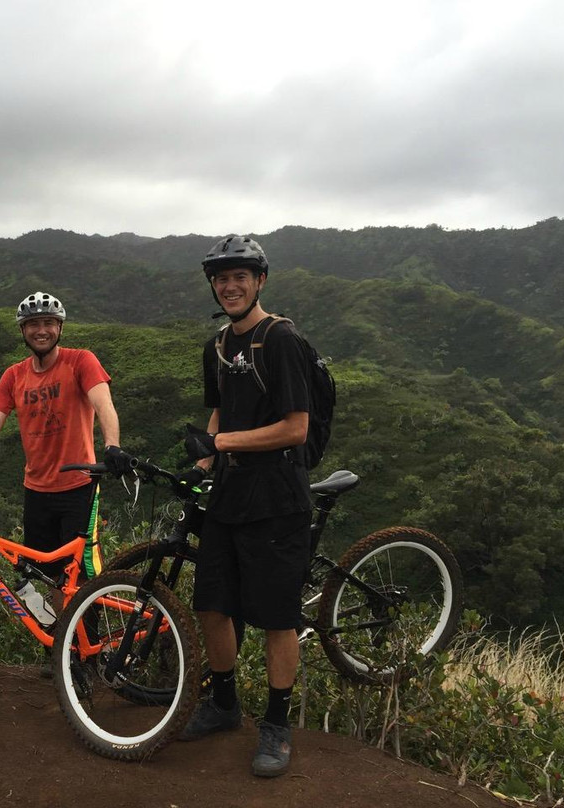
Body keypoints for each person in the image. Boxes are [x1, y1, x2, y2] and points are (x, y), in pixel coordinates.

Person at [179, 235, 312, 778]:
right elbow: (219, 414)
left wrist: (224, 445)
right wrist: (204, 462)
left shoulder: (280, 339)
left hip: (278, 497)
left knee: (277, 617)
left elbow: (296, 428)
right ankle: (225, 704)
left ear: (259, 281)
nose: (229, 285)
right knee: (213, 604)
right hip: (231, 496)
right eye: (220, 277)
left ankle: (277, 726)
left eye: (240, 276)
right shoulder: (217, 345)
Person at [0, 292, 132, 609]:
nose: (40, 330)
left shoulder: (80, 361)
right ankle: (65, 648)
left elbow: (104, 404)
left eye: (48, 323)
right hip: (36, 491)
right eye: (33, 324)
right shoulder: (14, 376)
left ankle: (96, 649)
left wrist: (112, 445)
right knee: (48, 577)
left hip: (79, 487)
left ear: (59, 327)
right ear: (23, 330)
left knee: (81, 577)